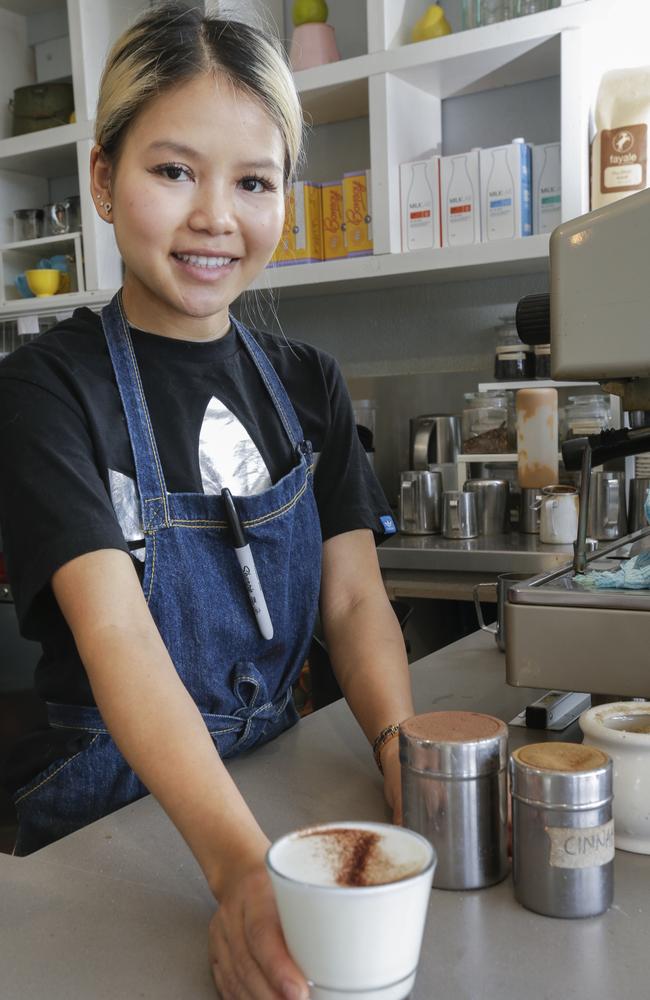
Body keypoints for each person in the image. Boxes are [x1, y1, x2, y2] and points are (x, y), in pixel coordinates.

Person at [0, 4, 415, 996]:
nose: (214, 216)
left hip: (274, 777)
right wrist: (238, 869)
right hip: (106, 821)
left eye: (253, 181)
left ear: (285, 197)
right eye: (173, 170)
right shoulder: (45, 389)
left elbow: (354, 603)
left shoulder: (307, 378)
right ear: (103, 179)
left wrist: (406, 759)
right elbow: (121, 639)